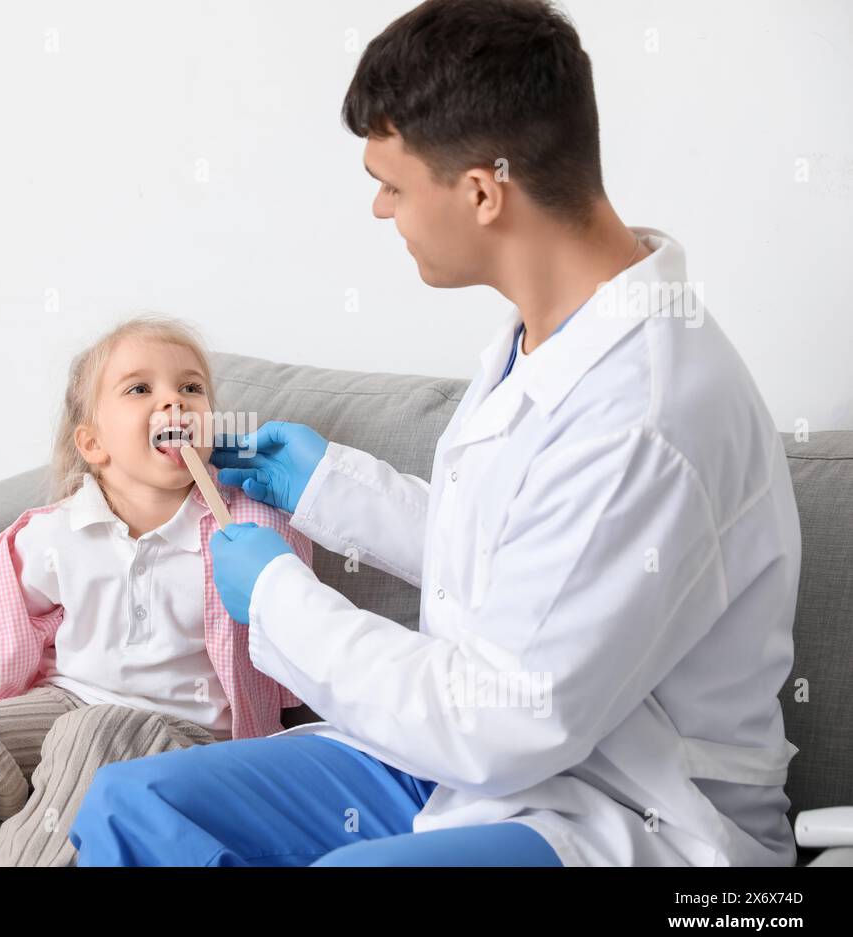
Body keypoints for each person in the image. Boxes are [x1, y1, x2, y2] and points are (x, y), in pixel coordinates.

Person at [68, 0, 801, 866]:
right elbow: (521, 564)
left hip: (616, 809)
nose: (381, 210)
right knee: (131, 801)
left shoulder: (646, 414)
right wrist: (325, 486)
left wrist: (276, 598)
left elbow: (501, 720)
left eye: (392, 183)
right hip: (469, 766)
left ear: (482, 192)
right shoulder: (547, 336)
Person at [0, 314, 312, 866]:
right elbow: (4, 630)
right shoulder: (54, 533)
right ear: (92, 443)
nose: (175, 402)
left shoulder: (244, 528)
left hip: (184, 732)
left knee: (91, 735)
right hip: (65, 702)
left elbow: (297, 622)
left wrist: (273, 525)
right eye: (140, 389)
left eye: (192, 388)